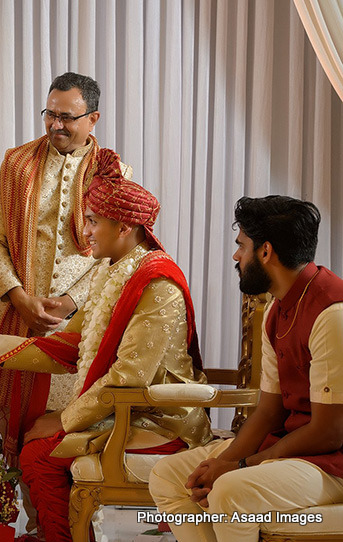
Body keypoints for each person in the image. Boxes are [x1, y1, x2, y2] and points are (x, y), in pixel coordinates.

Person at [14, 149, 211, 542]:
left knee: (38, 455)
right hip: (128, 409)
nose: (84, 232)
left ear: (123, 227)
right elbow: (72, 342)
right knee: (30, 434)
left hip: (160, 418)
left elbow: (128, 377)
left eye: (92, 221)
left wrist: (64, 419)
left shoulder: (157, 284)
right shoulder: (114, 271)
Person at [149, 195, 343, 542]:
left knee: (229, 491)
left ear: (266, 252)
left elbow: (330, 432)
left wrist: (239, 466)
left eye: (242, 246)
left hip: (331, 462)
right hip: (293, 447)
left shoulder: (332, 314)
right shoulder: (277, 311)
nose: (237, 256)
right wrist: (223, 461)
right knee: (168, 475)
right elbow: (269, 410)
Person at [0, 72, 133, 459]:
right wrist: (17, 297)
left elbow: (119, 255)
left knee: (63, 436)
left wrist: (69, 302)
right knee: (7, 434)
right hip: (15, 312)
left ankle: (55, 518)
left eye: (67, 117)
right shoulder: (16, 163)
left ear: (93, 119)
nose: (55, 125)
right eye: (50, 114)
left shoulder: (113, 173)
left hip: (80, 321)